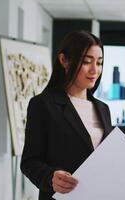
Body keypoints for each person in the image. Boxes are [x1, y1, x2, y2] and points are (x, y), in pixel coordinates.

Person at [20, 30, 113, 200]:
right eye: (86, 61)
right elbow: (29, 162)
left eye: (99, 63)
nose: (95, 70)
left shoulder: (103, 109)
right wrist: (51, 177)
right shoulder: (43, 105)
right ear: (64, 60)